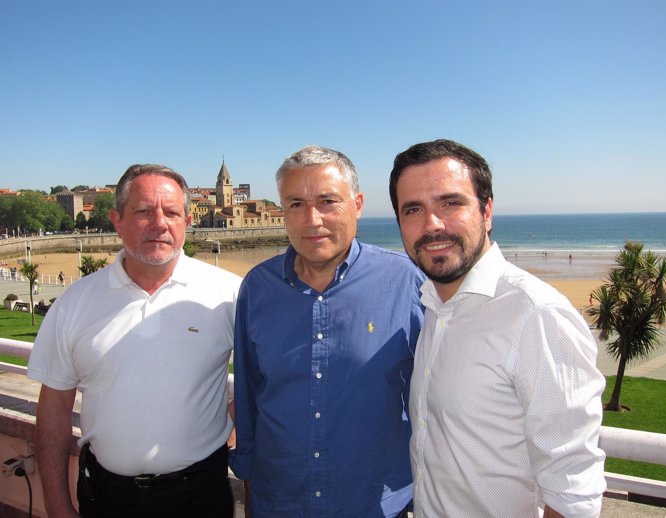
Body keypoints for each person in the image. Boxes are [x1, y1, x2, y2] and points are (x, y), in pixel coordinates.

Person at [389, 139, 606, 518]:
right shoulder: (433, 307)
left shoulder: (536, 315)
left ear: (486, 211)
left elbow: (573, 493)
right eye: (413, 209)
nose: (432, 224)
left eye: (450, 203)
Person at [27, 164, 243, 518]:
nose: (159, 223)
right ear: (117, 220)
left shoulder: (228, 294)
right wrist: (57, 504)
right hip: (107, 497)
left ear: (187, 221)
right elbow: (53, 408)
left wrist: (231, 424)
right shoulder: (75, 303)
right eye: (144, 211)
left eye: (172, 212)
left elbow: (266, 375)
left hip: (201, 495)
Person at [229, 145, 425, 518]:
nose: (312, 219)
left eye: (328, 201)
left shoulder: (407, 283)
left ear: (358, 204)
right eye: (296, 204)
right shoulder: (257, 288)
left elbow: (431, 400)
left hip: (374, 505)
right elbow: (250, 394)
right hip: (280, 503)